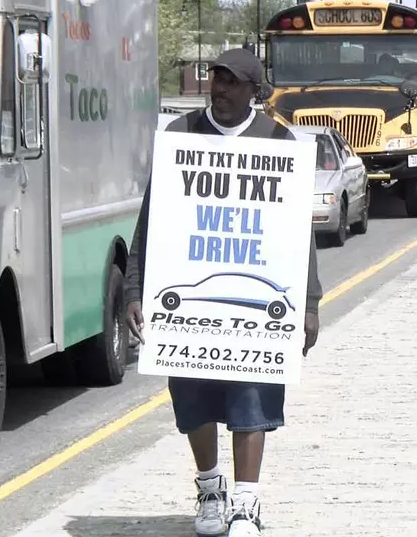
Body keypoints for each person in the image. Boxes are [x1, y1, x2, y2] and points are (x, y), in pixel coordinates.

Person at [123, 48, 323, 537]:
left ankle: (247, 504)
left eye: (232, 82)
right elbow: (152, 221)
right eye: (216, 79)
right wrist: (134, 289)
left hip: (258, 305)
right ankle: (211, 492)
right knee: (192, 396)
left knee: (251, 393)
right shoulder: (180, 135)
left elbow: (299, 234)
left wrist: (311, 303)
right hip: (189, 306)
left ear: (254, 90)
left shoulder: (278, 140)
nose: (220, 89)